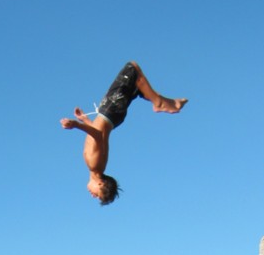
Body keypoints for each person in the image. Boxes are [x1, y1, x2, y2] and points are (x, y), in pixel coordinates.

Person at [60, 61, 187, 205]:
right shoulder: (94, 165)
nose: (92, 195)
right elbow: (97, 135)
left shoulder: (98, 165)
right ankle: (159, 103)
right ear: (101, 184)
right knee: (132, 69)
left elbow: (98, 134)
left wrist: (84, 120)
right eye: (97, 195)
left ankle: (166, 102)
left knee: (136, 86)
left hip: (113, 117)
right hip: (110, 111)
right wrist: (76, 125)